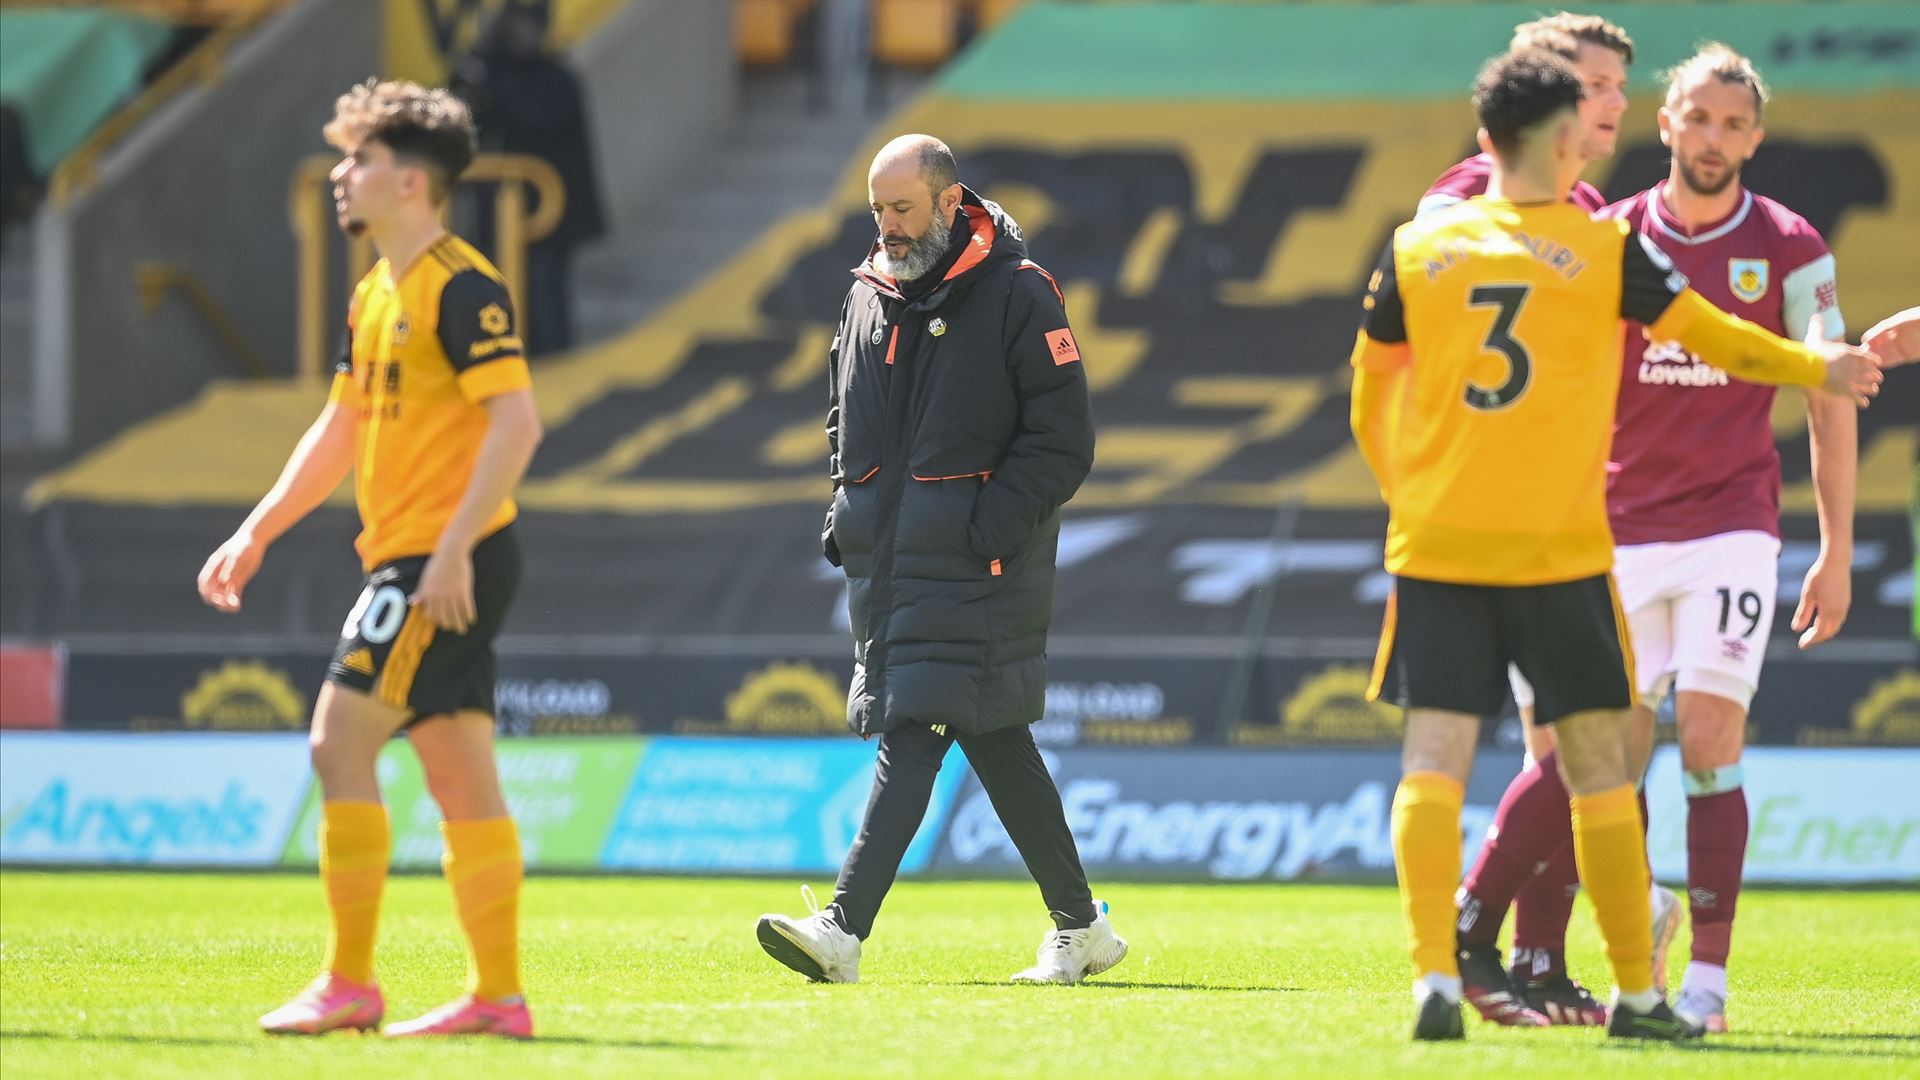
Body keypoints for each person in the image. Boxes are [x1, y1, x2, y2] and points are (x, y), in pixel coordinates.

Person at [1350, 49, 1880, 1042]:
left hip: (1441, 542)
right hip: (1568, 545)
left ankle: (1435, 979)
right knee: (1597, 764)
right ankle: (1638, 995)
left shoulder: (1417, 246)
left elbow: (1370, 394)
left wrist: (1412, 497)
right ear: (1564, 141)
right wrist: (1818, 367)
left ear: (1483, 141)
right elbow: (1714, 334)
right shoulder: (1602, 245)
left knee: (1434, 763)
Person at [197, 79, 544, 1039]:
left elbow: (517, 424)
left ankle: (349, 983)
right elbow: (341, 427)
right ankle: (498, 999)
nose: (341, 175)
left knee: (336, 744)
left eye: (360, 159)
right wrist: (257, 529)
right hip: (424, 554)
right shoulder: (375, 291)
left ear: (411, 181)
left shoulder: (460, 285)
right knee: (460, 776)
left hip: (438, 559)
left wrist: (453, 548)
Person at [755, 134, 1124, 987]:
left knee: (914, 724)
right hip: (890, 565)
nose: (888, 226)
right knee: (995, 738)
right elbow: (842, 414)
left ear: (951, 204)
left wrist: (986, 527)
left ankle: (841, 931)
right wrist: (846, 511)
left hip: (980, 566)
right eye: (878, 210)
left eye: (903, 208)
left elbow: (1064, 440)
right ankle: (1081, 927)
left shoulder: (1021, 293)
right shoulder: (865, 295)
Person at [1414, 13, 1675, 1029]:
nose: (1614, 104)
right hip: (1505, 530)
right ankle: (1479, 942)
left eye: (1618, 87)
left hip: (1579, 514)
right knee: (1579, 750)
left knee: (1584, 751)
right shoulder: (1462, 201)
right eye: (1597, 84)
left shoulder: (1588, 209)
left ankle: (1533, 960)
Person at [450, 2, 606, 357]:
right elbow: (460, 118)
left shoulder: (556, 78)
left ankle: (554, 370)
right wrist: (471, 80)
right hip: (498, 214)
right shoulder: (493, 72)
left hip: (548, 221)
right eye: (520, 20)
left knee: (545, 306)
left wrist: (489, 83)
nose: (528, 31)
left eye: (535, 21)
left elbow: (538, 118)